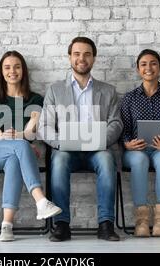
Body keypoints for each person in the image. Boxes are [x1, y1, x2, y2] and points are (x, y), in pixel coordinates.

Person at [38, 37, 122, 242]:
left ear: (93, 58)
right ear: (69, 57)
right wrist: (62, 142)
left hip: (98, 149)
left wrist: (101, 140)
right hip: (67, 149)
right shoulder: (55, 90)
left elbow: (116, 123)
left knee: (106, 159)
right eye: (76, 54)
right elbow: (44, 126)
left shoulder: (108, 90)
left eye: (86, 54)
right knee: (58, 160)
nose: (81, 58)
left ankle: (106, 224)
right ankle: (62, 224)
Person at [0, 51, 62, 242]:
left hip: (17, 153)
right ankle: (41, 200)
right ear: (1, 72)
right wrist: (7, 137)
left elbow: (30, 132)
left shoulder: (35, 100)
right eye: (7, 67)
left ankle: (6, 226)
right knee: (20, 147)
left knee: (14, 161)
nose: (12, 71)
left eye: (17, 66)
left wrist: (18, 139)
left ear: (24, 71)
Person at [120, 49, 160, 237]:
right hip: (135, 151)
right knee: (139, 160)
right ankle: (142, 219)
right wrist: (127, 144)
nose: (149, 68)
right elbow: (124, 129)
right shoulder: (129, 98)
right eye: (144, 64)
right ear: (138, 70)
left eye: (153, 63)